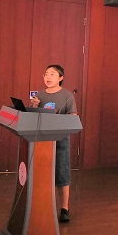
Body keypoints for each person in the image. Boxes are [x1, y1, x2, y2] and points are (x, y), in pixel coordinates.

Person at [29, 64, 76, 223]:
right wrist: (34, 105)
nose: (48, 77)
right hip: (42, 140)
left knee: (62, 174)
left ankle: (64, 208)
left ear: (61, 78)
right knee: (42, 175)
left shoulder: (67, 95)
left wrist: (58, 116)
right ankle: (43, 206)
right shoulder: (40, 94)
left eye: (52, 74)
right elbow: (33, 117)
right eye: (46, 74)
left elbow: (73, 116)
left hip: (61, 140)